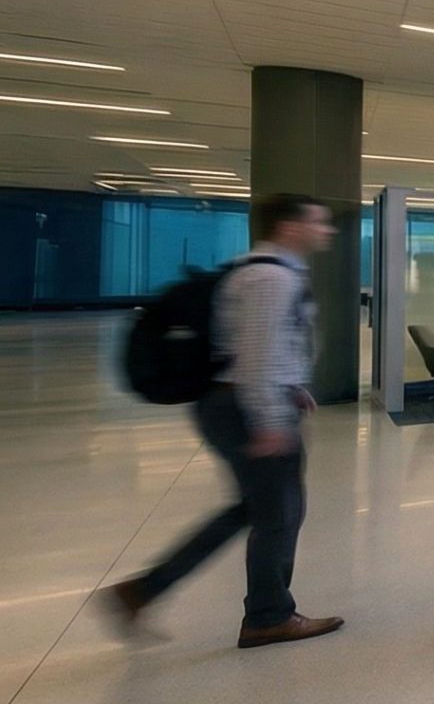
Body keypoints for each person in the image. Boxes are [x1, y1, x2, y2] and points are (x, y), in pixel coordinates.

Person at [106, 194, 344, 649]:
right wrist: (269, 420)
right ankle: (268, 616)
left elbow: (259, 348)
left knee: (259, 509)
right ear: (290, 227)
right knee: (278, 514)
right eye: (320, 222)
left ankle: (143, 591)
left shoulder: (257, 271)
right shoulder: (271, 278)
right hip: (244, 407)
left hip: (238, 402)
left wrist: (292, 386)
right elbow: (255, 357)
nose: (327, 231)